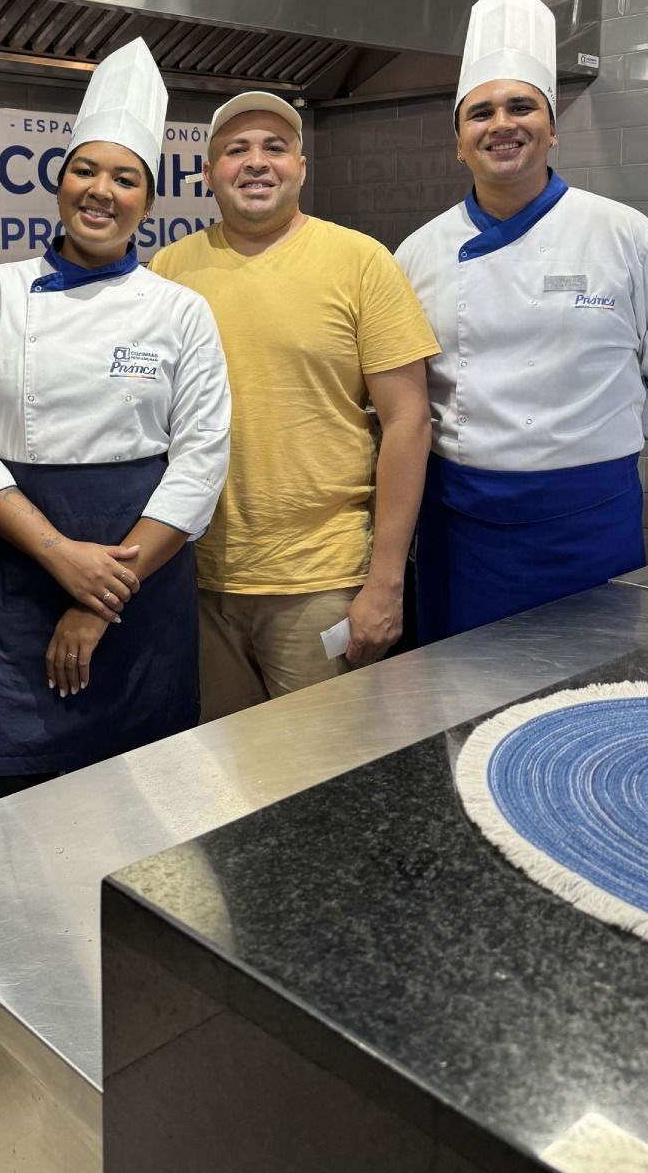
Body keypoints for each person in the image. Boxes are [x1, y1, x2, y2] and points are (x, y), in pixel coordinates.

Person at [0, 39, 229, 807]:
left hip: (143, 583)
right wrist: (61, 556)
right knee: (4, 805)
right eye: (86, 171)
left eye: (125, 178)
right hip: (19, 576)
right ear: (60, 180)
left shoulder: (181, 310)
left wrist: (100, 595)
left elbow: (199, 464)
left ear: (148, 201)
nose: (101, 191)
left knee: (148, 810)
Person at [395, 0, 648, 643]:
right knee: (456, 690)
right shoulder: (416, 254)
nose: (501, 123)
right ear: (458, 140)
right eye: (480, 112)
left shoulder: (629, 238)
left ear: (552, 129)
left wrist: (591, 439)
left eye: (522, 106)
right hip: (458, 527)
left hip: (588, 522)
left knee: (589, 683)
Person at [151, 91, 438, 721]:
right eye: (237, 150)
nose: (256, 162)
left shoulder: (361, 262)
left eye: (275, 148)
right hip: (195, 579)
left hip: (322, 581)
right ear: (209, 173)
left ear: (301, 169)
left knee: (327, 769)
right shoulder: (169, 269)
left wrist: (386, 582)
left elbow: (409, 421)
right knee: (222, 765)